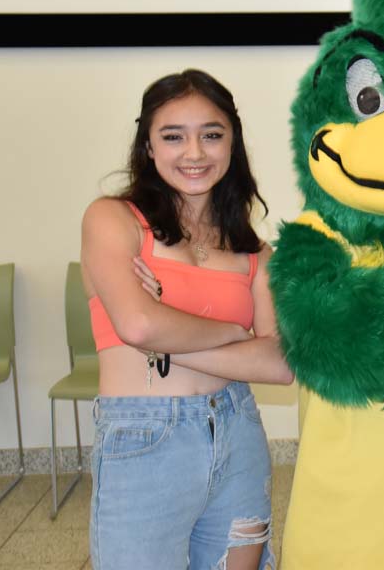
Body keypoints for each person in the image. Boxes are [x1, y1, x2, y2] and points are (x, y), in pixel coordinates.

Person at [81, 68, 294, 570]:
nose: (194, 153)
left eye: (211, 135)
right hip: (144, 438)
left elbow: (281, 364)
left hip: (237, 430)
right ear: (149, 147)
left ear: (232, 144)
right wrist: (235, 333)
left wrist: (165, 327)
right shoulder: (112, 220)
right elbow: (137, 326)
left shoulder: (253, 250)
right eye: (173, 136)